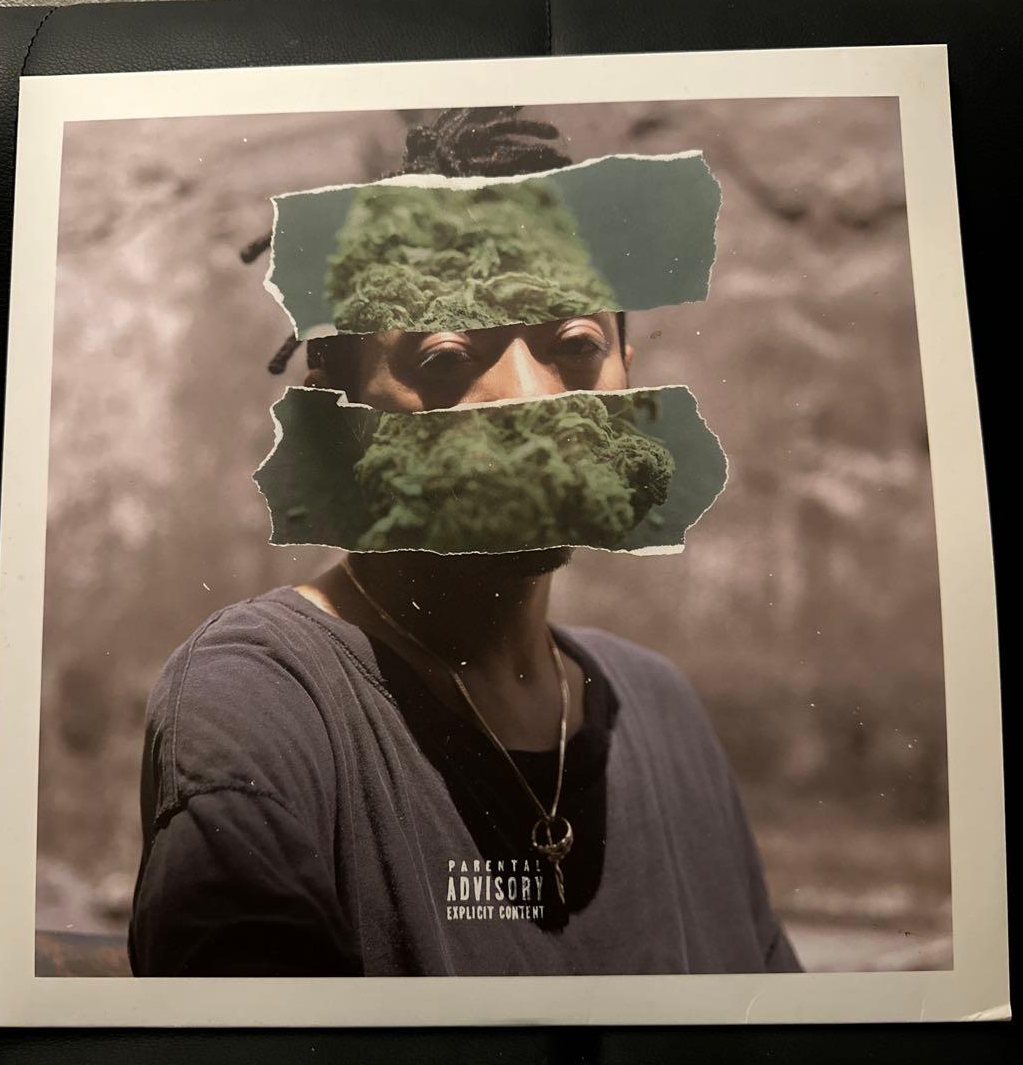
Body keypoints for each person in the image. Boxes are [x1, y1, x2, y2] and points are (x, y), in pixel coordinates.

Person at [128, 108, 801, 977]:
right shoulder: (267, 703)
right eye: (444, 356)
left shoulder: (661, 712)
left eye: (576, 344)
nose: (529, 399)